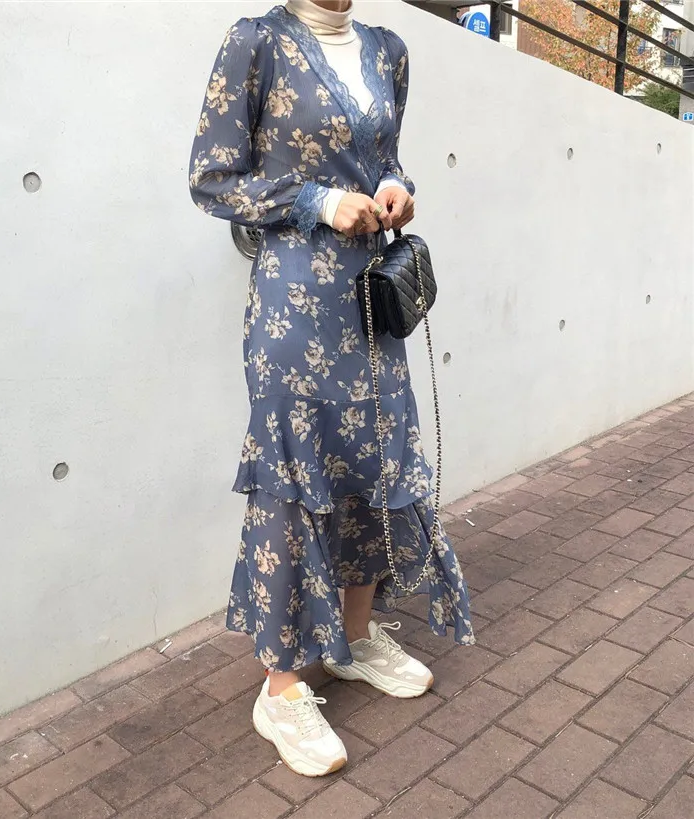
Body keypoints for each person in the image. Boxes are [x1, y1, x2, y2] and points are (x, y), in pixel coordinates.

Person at [189, 0, 474, 777]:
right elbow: (212, 181)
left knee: (374, 461)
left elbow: (383, 157)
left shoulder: (388, 50)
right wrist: (318, 202)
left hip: (372, 302)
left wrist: (396, 188)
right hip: (295, 305)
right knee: (294, 478)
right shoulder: (256, 42)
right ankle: (281, 687)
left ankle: (352, 639)